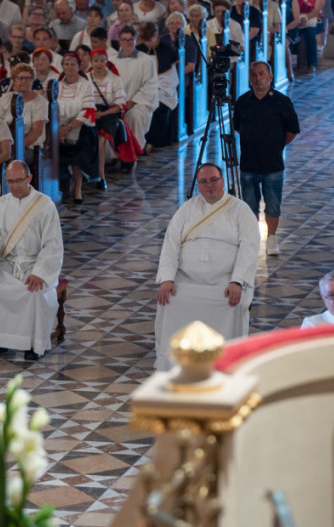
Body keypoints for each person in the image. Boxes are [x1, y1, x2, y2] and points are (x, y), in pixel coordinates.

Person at [154, 162, 260, 371]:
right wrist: (167, 279)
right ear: (198, 185)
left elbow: (249, 248)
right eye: (203, 181)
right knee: (169, 299)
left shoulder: (241, 210)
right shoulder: (187, 209)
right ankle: (174, 363)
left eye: (214, 180)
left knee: (232, 305)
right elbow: (171, 244)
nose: (209, 185)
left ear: (223, 181)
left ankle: (224, 364)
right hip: (186, 280)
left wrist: (237, 281)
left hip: (225, 281)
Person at [0, 160, 63, 361]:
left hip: (35, 264)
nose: (14, 186)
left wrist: (40, 272)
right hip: (8, 263)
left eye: (19, 180)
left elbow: (53, 245)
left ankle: (33, 344)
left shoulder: (45, 205)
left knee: (34, 292)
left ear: (29, 178)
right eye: (10, 181)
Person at [234, 61, 300, 256]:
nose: (258, 78)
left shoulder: (282, 102)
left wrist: (275, 145)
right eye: (254, 75)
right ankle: (252, 238)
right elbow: (238, 127)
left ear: (270, 77)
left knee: (272, 204)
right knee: (249, 204)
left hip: (273, 163)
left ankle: (271, 238)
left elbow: (292, 130)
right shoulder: (243, 101)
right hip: (248, 162)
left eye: (262, 74)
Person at [57, 53, 97, 203]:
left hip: (81, 126)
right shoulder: (57, 85)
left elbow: (88, 111)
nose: (69, 67)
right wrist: (60, 130)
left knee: (78, 154)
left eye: (73, 64)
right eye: (66, 64)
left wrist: (68, 128)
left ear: (78, 66)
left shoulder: (85, 84)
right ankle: (60, 185)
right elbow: (52, 107)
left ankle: (78, 189)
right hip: (60, 126)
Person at [111, 25, 158, 151]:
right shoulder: (112, 61)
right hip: (117, 103)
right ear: (119, 41)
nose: (127, 43)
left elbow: (151, 84)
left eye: (130, 39)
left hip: (139, 103)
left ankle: (134, 151)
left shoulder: (146, 60)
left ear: (136, 40)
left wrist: (134, 101)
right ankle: (116, 152)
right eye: (124, 40)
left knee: (135, 116)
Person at [89, 48, 127, 189]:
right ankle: (95, 174)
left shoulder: (114, 79)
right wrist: (93, 112)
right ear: (91, 62)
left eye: (102, 61)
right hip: (91, 112)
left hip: (108, 114)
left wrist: (103, 114)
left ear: (106, 62)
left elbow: (120, 105)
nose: (99, 64)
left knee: (100, 140)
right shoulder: (86, 78)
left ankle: (100, 176)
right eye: (96, 61)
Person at [0, 63, 49, 159]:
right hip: (5, 144)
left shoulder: (40, 102)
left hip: (29, 147)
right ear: (14, 80)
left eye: (28, 78)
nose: (24, 81)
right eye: (21, 78)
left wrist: (15, 147)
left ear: (32, 80)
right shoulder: (4, 99)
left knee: (9, 158)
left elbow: (37, 132)